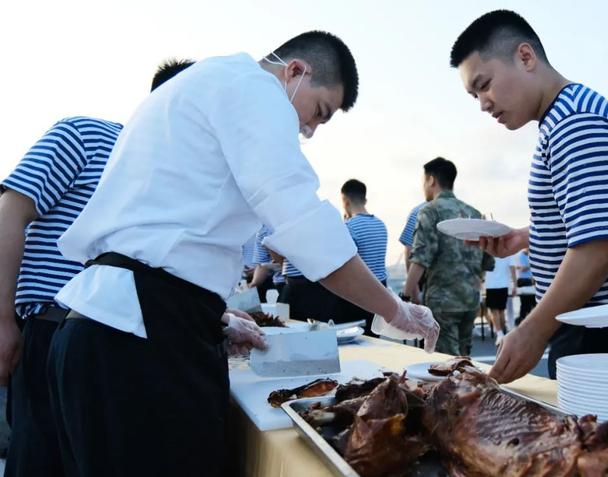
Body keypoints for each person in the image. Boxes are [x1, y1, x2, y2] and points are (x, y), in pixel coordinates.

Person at [45, 31, 438, 477]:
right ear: (295, 71)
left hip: (113, 325)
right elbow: (304, 223)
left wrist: (215, 317)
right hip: (133, 344)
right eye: (317, 112)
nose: (308, 129)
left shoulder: (203, 85)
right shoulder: (253, 88)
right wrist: (394, 310)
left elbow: (167, 235)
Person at [450, 10, 608, 383]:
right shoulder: (563, 118)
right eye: (474, 96)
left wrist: (534, 330)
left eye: (484, 85)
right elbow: (586, 225)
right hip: (595, 330)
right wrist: (525, 237)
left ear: (525, 56)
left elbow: (600, 243)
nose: (483, 104)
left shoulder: (576, 121)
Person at [0, 58, 194, 477]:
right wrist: (2, 322)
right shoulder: (86, 136)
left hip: (125, 350)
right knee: (40, 463)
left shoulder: (178, 178)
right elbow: (8, 214)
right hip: (53, 331)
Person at [402, 157, 492, 356]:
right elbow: (488, 259)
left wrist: (406, 296)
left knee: (446, 364)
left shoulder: (430, 211)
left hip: (443, 302)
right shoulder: (474, 212)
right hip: (470, 300)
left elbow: (420, 258)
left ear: (432, 180)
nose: (424, 187)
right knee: (465, 361)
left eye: (424, 182)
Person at [336, 179, 388, 328]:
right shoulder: (381, 225)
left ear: (345, 201)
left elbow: (344, 266)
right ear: (364, 199)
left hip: (358, 295)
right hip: (380, 292)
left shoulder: (348, 227)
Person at [249, 225, 285, 302]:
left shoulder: (264, 230)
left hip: (303, 281)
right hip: (283, 283)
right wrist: (253, 283)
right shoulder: (263, 231)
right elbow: (262, 265)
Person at [484, 256, 512, 346]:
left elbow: (482, 269)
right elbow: (512, 268)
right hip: (503, 284)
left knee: (494, 311)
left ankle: (500, 334)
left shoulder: (488, 252)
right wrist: (514, 285)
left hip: (491, 285)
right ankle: (503, 334)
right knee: (501, 311)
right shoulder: (508, 252)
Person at [399, 202, 426, 272]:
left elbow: (409, 249)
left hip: (426, 277)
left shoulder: (418, 211)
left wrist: (410, 278)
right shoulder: (458, 208)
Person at [513, 248, 536, 325]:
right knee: (525, 303)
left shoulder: (529, 255)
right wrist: (531, 265)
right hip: (523, 281)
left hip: (530, 281)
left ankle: (528, 320)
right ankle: (522, 320)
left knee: (532, 303)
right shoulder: (521, 256)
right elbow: (522, 268)